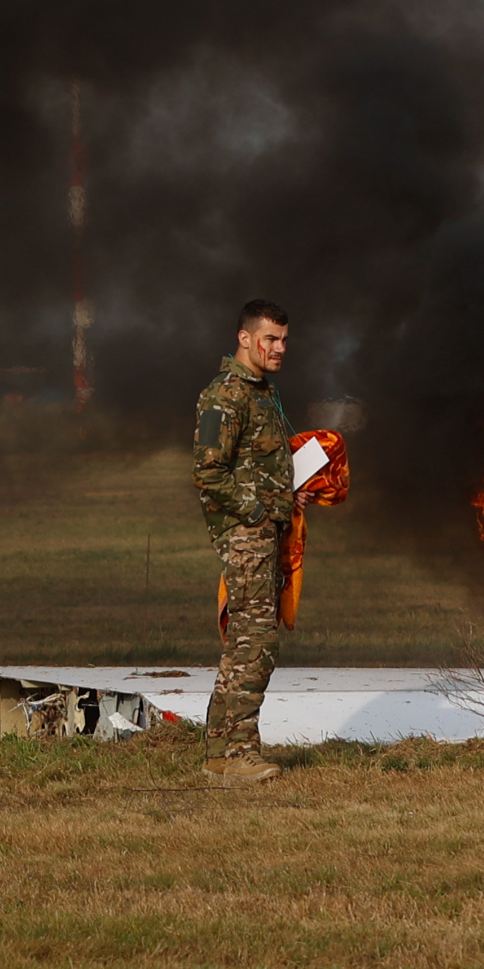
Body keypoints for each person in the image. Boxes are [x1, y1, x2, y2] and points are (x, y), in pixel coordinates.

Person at [188, 299, 295, 784]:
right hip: (246, 535)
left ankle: (219, 752)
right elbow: (208, 472)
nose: (279, 348)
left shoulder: (263, 394)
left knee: (244, 643)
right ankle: (238, 752)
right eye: (270, 339)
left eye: (284, 340)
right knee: (256, 643)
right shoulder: (225, 395)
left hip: (268, 531)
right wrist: (255, 511)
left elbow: (262, 463)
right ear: (245, 339)